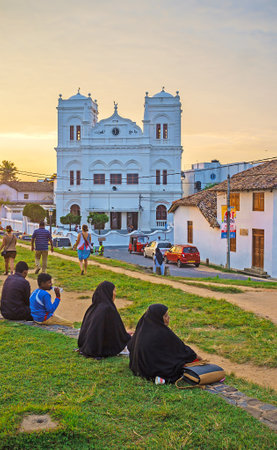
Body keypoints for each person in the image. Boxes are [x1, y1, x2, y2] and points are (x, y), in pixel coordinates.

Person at [128, 304, 200, 383]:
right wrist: (195, 356)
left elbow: (130, 346)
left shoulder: (142, 327)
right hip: (152, 370)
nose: (168, 318)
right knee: (181, 362)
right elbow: (182, 350)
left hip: (138, 368)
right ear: (158, 318)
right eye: (165, 316)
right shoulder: (162, 332)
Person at [78, 281, 131, 358]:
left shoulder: (93, 308)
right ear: (108, 292)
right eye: (114, 291)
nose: (115, 294)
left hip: (88, 346)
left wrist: (124, 333)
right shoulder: (108, 309)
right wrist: (126, 336)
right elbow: (115, 337)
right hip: (100, 348)